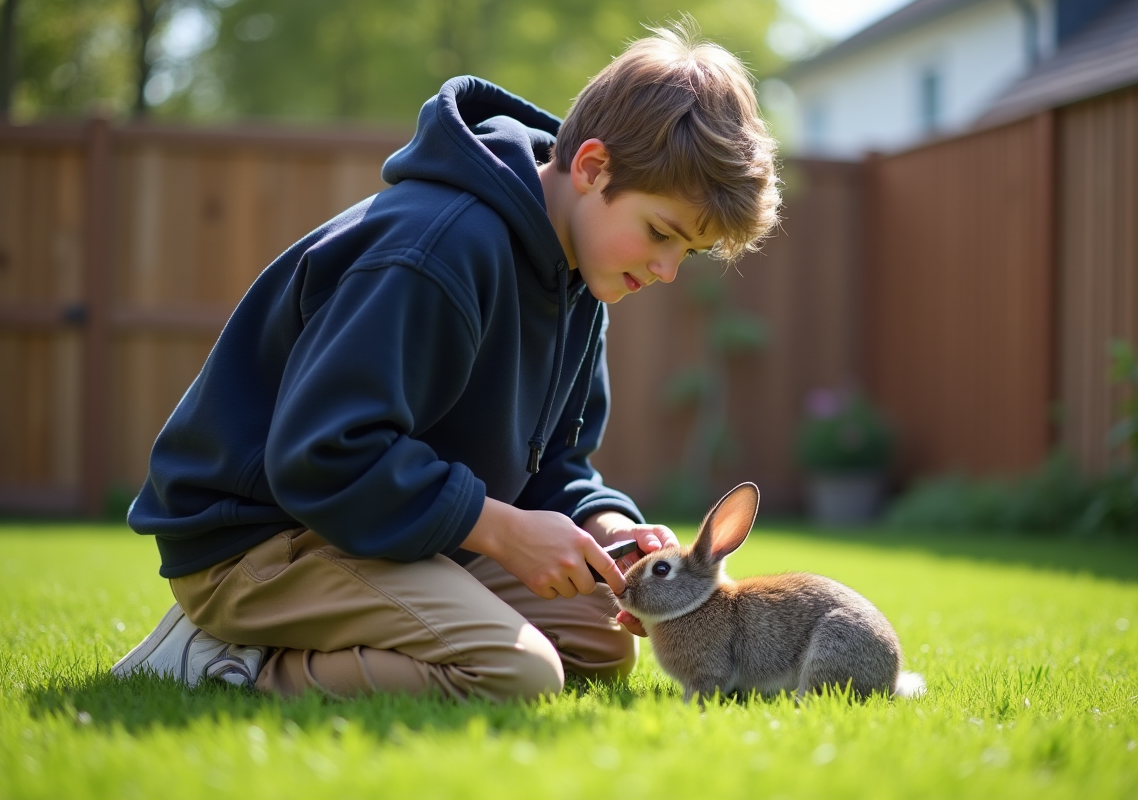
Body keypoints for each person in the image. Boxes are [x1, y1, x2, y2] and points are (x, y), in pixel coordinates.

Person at [111, 21, 780, 700]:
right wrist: (503, 530)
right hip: (263, 543)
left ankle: (365, 633)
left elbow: (556, 466)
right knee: (519, 674)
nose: (667, 271)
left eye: (686, 253)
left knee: (599, 636)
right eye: (660, 234)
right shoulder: (438, 250)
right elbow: (322, 456)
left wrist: (604, 524)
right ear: (592, 168)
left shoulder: (578, 284)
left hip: (383, 536)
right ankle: (219, 663)